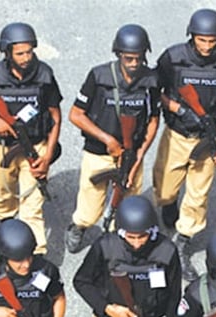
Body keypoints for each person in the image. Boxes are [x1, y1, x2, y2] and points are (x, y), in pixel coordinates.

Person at [152, 9, 216, 281]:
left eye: (212, 41)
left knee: (198, 195)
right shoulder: (172, 58)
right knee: (165, 188)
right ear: (192, 36)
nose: (207, 46)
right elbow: (156, 92)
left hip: (207, 139)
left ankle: (183, 240)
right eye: (202, 40)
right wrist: (177, 108)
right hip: (177, 134)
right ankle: (168, 205)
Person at [65, 24, 160, 253]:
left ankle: (121, 239)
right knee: (90, 202)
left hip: (132, 152)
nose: (134, 64)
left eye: (139, 59)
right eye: (128, 59)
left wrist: (139, 154)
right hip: (99, 151)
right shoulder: (99, 76)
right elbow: (75, 115)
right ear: (118, 55)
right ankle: (79, 227)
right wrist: (108, 140)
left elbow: (154, 119)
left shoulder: (151, 81)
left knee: (127, 202)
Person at [0, 22, 62, 254]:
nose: (26, 58)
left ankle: (37, 254)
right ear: (8, 52)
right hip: (2, 147)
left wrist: (48, 153)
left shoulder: (44, 75)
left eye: (29, 51)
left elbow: (55, 115)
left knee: (32, 207)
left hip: (35, 144)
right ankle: (7, 238)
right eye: (20, 53)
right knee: (4, 195)